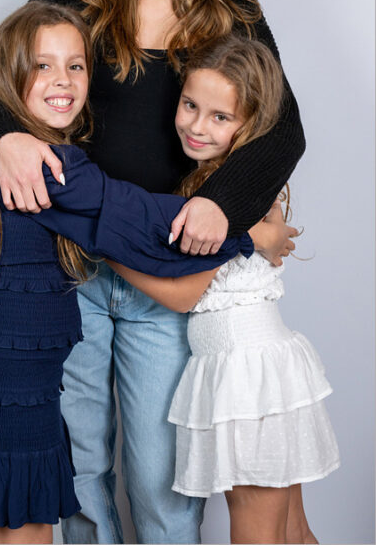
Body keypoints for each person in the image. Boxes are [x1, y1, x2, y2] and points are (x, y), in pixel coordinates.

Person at [0, 0, 305, 544]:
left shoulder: (231, 11)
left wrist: (221, 206)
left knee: (161, 479)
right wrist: (5, 138)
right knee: (81, 472)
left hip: (167, 275)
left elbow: (281, 130)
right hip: (74, 269)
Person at [0, 0, 255, 545]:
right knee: (25, 531)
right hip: (9, 390)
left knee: (23, 528)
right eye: (42, 66)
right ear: (6, 77)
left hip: (13, 382)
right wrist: (247, 231)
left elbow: (120, 228)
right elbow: (145, 223)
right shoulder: (44, 168)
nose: (63, 80)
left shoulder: (40, 158)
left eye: (76, 65)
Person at [107, 36, 339, 545]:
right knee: (294, 533)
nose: (196, 126)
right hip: (262, 370)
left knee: (260, 533)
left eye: (220, 117)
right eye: (190, 105)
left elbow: (183, 295)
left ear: (250, 125)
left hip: (247, 378)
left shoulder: (224, 198)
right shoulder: (225, 186)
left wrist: (104, 251)